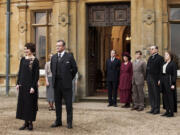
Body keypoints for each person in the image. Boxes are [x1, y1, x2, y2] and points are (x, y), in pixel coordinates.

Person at [50, 40, 77, 129]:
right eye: (57, 46)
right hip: (56, 84)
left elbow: (75, 69)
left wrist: (69, 78)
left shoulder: (69, 56)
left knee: (68, 104)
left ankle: (69, 122)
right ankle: (58, 121)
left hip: (66, 84)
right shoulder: (53, 57)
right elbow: (52, 69)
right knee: (57, 104)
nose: (57, 47)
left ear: (64, 47)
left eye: (59, 46)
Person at [16, 43, 39, 131]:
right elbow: (20, 72)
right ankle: (25, 122)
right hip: (23, 85)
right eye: (25, 49)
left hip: (30, 86)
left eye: (27, 49)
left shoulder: (35, 60)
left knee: (30, 104)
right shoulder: (22, 59)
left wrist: (33, 86)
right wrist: (18, 83)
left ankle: (30, 123)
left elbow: (36, 75)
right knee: (23, 104)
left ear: (31, 49)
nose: (25, 50)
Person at [146, 45, 164, 114]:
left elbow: (161, 70)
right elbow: (147, 68)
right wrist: (146, 77)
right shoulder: (150, 58)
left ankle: (157, 109)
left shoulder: (160, 58)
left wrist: (160, 79)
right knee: (151, 93)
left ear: (156, 50)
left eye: (152, 49)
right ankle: (152, 108)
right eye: (150, 49)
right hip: (149, 78)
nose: (151, 50)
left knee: (156, 93)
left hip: (156, 78)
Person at [159, 51, 177, 117]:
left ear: (170, 55)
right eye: (165, 55)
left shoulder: (173, 64)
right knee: (165, 97)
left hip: (169, 81)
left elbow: (174, 75)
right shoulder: (164, 63)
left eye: (166, 54)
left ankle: (171, 112)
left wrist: (173, 84)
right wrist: (160, 80)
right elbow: (161, 73)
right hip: (163, 80)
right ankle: (167, 111)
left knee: (170, 97)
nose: (165, 55)